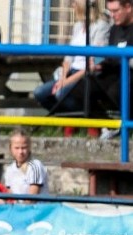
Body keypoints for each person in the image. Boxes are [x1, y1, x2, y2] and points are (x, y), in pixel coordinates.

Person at [67, 0, 133, 138]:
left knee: (117, 89)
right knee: (81, 88)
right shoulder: (115, 29)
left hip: (129, 74)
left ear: (128, 7)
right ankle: (110, 124)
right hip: (113, 72)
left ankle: (128, 125)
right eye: (110, 11)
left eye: (116, 11)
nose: (112, 15)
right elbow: (109, 55)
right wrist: (99, 63)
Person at [34, 0, 110, 114]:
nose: (72, 6)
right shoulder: (78, 26)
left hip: (86, 75)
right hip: (71, 72)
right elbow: (68, 58)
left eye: (74, 2)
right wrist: (63, 79)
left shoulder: (101, 26)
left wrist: (67, 82)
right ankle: (68, 118)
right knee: (40, 93)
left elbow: (95, 62)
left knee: (61, 94)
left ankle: (93, 113)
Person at [2, 128, 49, 200]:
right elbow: (10, 197)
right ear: (10, 148)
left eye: (24, 148)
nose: (20, 152)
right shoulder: (9, 170)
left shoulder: (35, 166)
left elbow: (32, 199)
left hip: (36, 209)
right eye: (17, 148)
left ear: (29, 148)